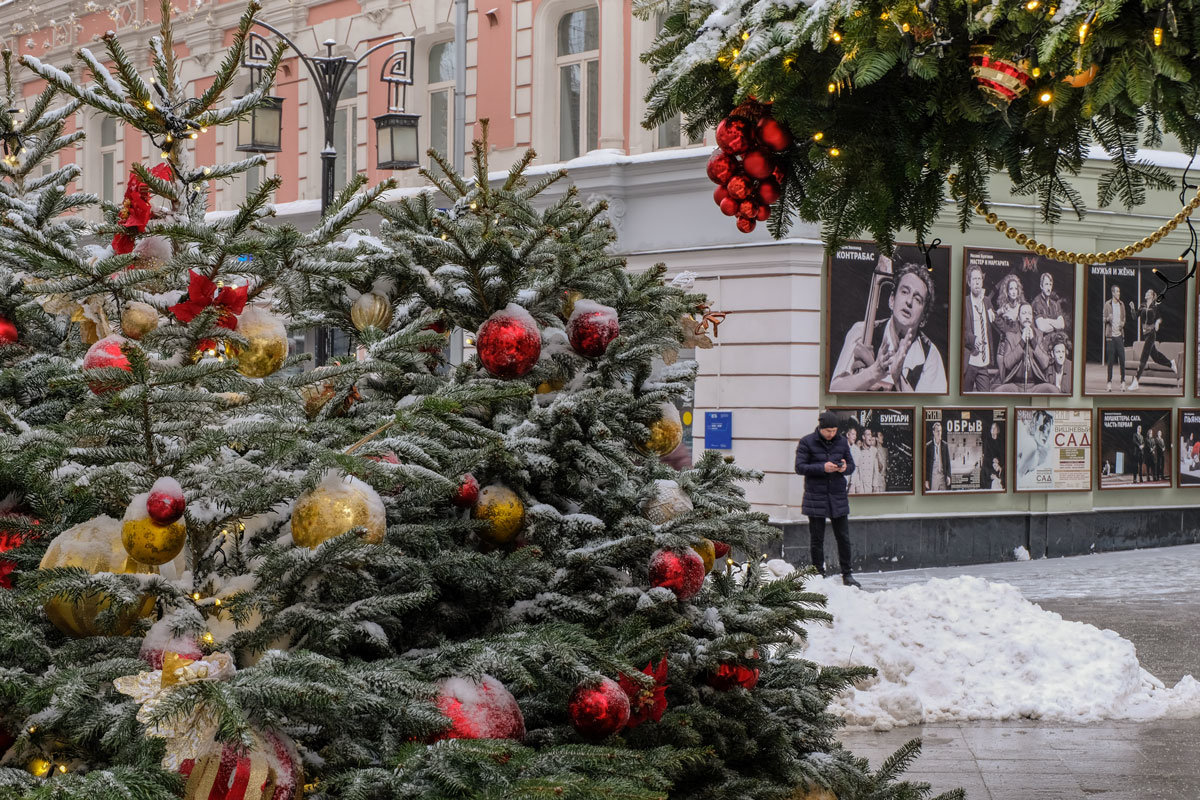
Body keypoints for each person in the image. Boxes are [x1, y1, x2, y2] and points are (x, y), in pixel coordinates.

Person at [830, 263, 947, 393]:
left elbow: (927, 409)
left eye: (917, 299)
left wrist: (898, 378)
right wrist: (874, 372)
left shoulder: (930, 355)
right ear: (892, 300)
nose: (909, 301)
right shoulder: (861, 331)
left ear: (923, 319)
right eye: (904, 292)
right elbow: (835, 390)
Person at [795, 411, 861, 587]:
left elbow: (851, 464)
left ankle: (847, 574)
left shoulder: (841, 441)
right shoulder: (807, 441)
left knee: (843, 537)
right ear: (821, 428)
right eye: (828, 431)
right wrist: (822, 467)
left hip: (837, 496)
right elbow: (800, 467)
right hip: (815, 496)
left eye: (834, 430)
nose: (831, 434)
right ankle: (818, 573)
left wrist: (844, 468)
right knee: (817, 538)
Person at [994, 303, 1050, 392]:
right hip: (1015, 385)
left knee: (1053, 390)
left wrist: (1033, 341)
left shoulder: (1039, 335)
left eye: (1029, 314)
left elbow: (1045, 363)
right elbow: (1008, 364)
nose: (1027, 317)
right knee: (998, 391)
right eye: (1024, 313)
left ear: (1032, 318)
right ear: (1018, 318)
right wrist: (1022, 341)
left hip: (1035, 384)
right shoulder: (1010, 336)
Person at [1129, 289, 1177, 391]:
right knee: (1155, 357)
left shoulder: (1155, 306)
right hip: (1145, 335)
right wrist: (1132, 308)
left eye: (1148, 293)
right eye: (1145, 292)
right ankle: (1171, 363)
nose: (1145, 294)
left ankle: (1136, 381)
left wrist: (1157, 323)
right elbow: (1134, 317)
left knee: (1144, 357)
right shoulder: (1142, 305)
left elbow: (1159, 318)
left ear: (1151, 296)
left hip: (1151, 334)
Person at [963, 264, 996, 392]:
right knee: (964, 400)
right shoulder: (964, 302)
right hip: (969, 362)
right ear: (969, 283)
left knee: (985, 399)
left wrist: (1000, 312)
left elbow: (997, 321)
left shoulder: (987, 302)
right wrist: (973, 339)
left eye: (979, 279)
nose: (977, 282)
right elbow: (959, 331)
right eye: (974, 279)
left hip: (983, 363)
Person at [1102, 283, 1128, 391]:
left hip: (1119, 336)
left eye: (1119, 291)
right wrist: (1108, 318)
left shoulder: (1122, 305)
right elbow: (1103, 319)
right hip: (1110, 337)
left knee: (1122, 359)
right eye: (1117, 291)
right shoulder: (1107, 304)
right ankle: (1109, 383)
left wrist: (1123, 323)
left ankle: (1123, 382)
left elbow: (1124, 318)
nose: (1119, 293)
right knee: (1111, 361)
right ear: (1113, 293)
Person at [925, 421, 951, 492]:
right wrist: (926, 479)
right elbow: (925, 465)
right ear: (933, 432)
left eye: (940, 431)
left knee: (944, 498)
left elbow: (948, 462)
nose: (939, 433)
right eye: (937, 431)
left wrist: (948, 476)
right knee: (933, 497)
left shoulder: (945, 445)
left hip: (943, 476)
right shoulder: (928, 446)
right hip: (933, 477)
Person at [853, 425, 877, 495]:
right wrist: (857, 485)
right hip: (860, 486)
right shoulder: (858, 451)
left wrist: (875, 484)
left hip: (870, 486)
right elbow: (856, 470)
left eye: (871, 435)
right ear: (863, 437)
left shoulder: (874, 450)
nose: (870, 437)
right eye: (868, 435)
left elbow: (875, 469)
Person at [982, 420, 1004, 489]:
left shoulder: (1000, 441)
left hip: (998, 464)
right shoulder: (987, 441)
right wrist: (993, 459)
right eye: (992, 428)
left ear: (997, 431)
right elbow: (986, 455)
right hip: (988, 464)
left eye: (994, 428)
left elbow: (1002, 455)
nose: (992, 429)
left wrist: (998, 460)